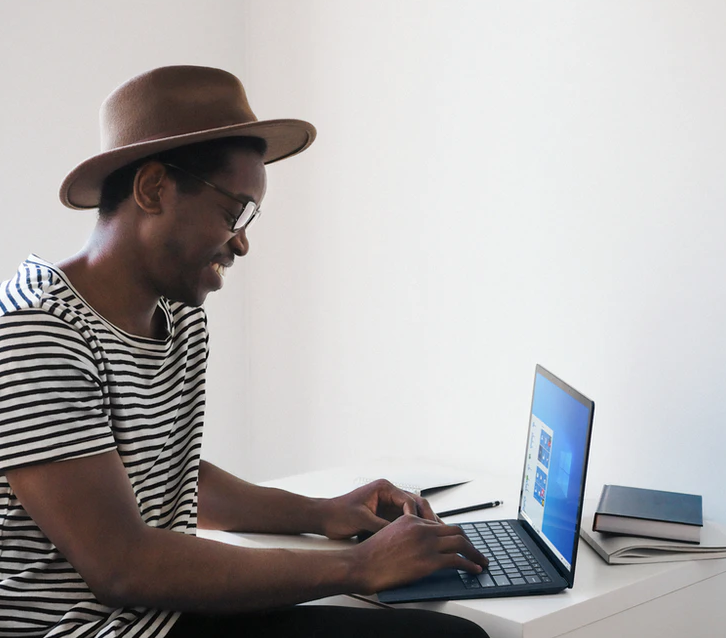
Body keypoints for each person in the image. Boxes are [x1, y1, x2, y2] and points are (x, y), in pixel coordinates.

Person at [0, 65, 489, 638]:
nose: (242, 242)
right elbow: (121, 567)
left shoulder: (176, 313)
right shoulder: (36, 331)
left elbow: (169, 473)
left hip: (161, 614)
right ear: (153, 188)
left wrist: (325, 513)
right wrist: (359, 567)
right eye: (234, 211)